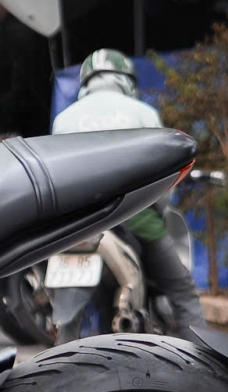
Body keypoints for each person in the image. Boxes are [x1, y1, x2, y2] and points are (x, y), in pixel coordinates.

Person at [52, 49, 206, 335]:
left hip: (76, 227)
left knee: (81, 315)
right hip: (136, 219)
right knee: (182, 291)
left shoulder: (63, 119)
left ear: (86, 82)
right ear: (126, 80)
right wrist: (159, 211)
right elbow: (162, 177)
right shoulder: (143, 113)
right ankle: (203, 357)